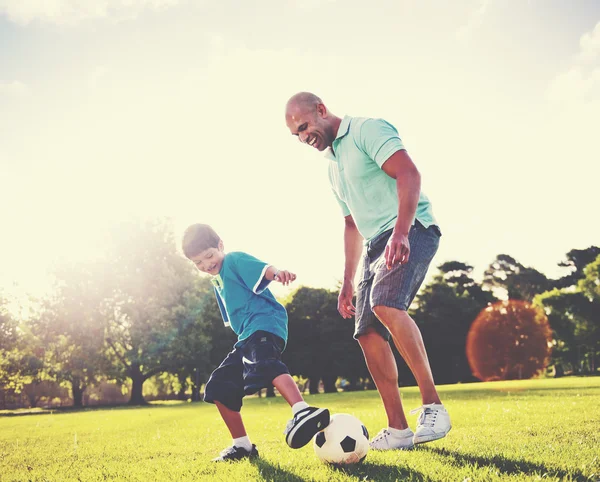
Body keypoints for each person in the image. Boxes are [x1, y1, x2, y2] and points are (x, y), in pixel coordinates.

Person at [284, 92, 451, 451]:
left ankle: (433, 407)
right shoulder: (332, 166)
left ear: (321, 111)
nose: (303, 137)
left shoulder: (366, 130)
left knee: (386, 304)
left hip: (412, 227)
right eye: (295, 135)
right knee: (367, 333)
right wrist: (346, 282)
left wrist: (402, 233)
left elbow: (408, 173)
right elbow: (350, 224)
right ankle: (399, 429)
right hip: (375, 242)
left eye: (304, 127)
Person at [181, 223, 330, 462]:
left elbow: (262, 269)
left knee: (264, 362)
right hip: (246, 337)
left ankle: (302, 411)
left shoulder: (233, 260)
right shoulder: (216, 281)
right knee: (218, 386)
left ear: (220, 245)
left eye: (209, 256)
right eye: (198, 263)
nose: (206, 264)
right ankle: (242, 446)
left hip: (264, 324)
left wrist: (277, 273)